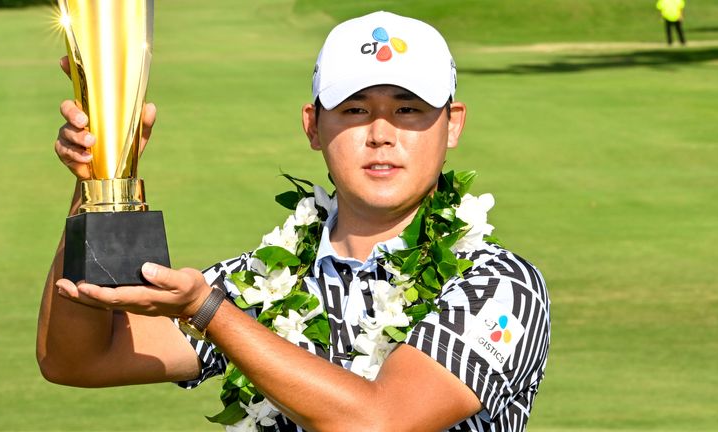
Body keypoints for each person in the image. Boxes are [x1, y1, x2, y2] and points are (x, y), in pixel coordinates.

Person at [38, 11, 550, 432]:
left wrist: (208, 310)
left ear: (452, 123)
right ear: (313, 125)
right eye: (353, 110)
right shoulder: (261, 283)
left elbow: (382, 421)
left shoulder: (500, 285)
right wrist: (99, 180)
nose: (381, 134)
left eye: (409, 109)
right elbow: (77, 361)